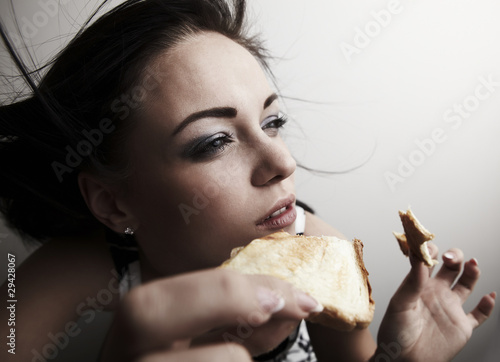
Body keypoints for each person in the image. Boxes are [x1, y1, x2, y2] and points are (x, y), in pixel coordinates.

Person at [0, 0, 495, 361]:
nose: (282, 163)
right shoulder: (81, 266)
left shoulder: (324, 258)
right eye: (214, 142)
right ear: (112, 204)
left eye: (272, 122)